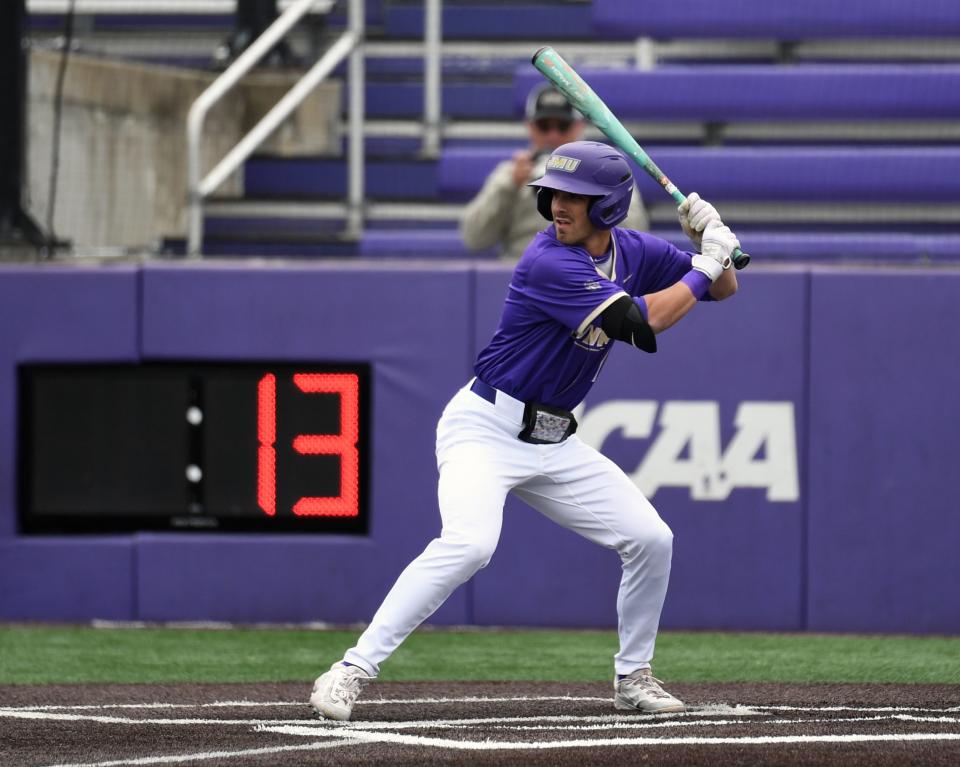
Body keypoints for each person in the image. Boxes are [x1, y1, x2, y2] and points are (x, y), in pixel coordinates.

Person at [310, 140, 739, 721]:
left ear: (608, 207)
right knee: (470, 544)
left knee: (651, 539)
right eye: (554, 193)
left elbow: (721, 288)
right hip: (485, 429)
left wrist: (708, 241)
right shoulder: (547, 260)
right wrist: (709, 260)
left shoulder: (633, 249)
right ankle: (351, 670)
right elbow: (644, 322)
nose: (558, 205)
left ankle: (633, 678)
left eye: (575, 197)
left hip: (555, 441)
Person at [460, 84, 649, 262]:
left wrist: (597, 195)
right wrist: (508, 187)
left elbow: (635, 235)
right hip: (524, 274)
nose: (553, 135)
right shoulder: (511, 174)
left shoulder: (607, 172)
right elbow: (473, 238)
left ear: (578, 126)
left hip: (586, 274)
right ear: (530, 126)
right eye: (544, 126)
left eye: (562, 126)